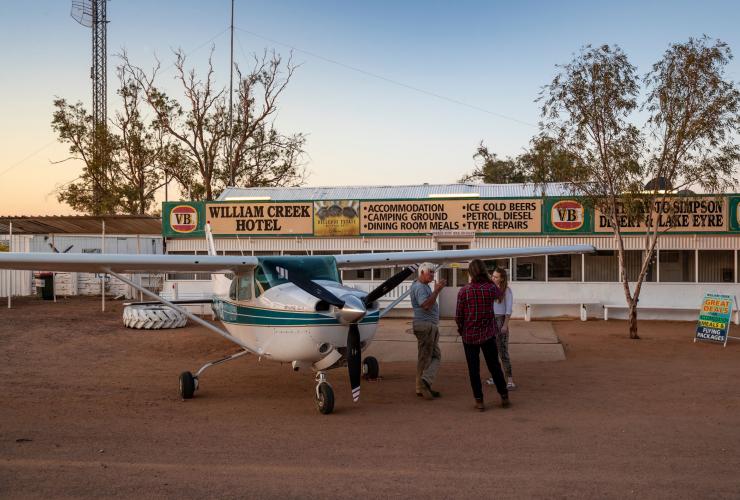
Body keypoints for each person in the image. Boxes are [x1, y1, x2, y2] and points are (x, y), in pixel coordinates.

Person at [455, 259, 509, 411]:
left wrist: (461, 329)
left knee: (474, 369)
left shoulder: (464, 291)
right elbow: (499, 294)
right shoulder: (490, 288)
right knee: (494, 366)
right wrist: (493, 281)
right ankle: (504, 395)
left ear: (470, 272)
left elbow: (459, 315)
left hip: (469, 335)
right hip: (488, 334)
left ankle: (479, 401)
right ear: (484, 271)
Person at [409, 262, 446, 400]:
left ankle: (422, 387)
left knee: (424, 357)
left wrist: (436, 290)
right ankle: (425, 381)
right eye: (430, 272)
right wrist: (437, 291)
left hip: (426, 326)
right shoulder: (420, 287)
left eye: (433, 272)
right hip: (426, 326)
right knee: (433, 356)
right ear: (422, 272)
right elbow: (425, 305)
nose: (432, 274)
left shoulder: (422, 286)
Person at [486, 267, 516, 390]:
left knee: (503, 351)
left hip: (501, 321)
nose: (493, 278)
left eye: (496, 277)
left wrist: (505, 325)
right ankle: (495, 376)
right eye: (492, 276)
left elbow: (508, 309)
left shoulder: (507, 291)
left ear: (502, 278)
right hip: (491, 321)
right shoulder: (490, 289)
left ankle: (509, 379)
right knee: (492, 351)